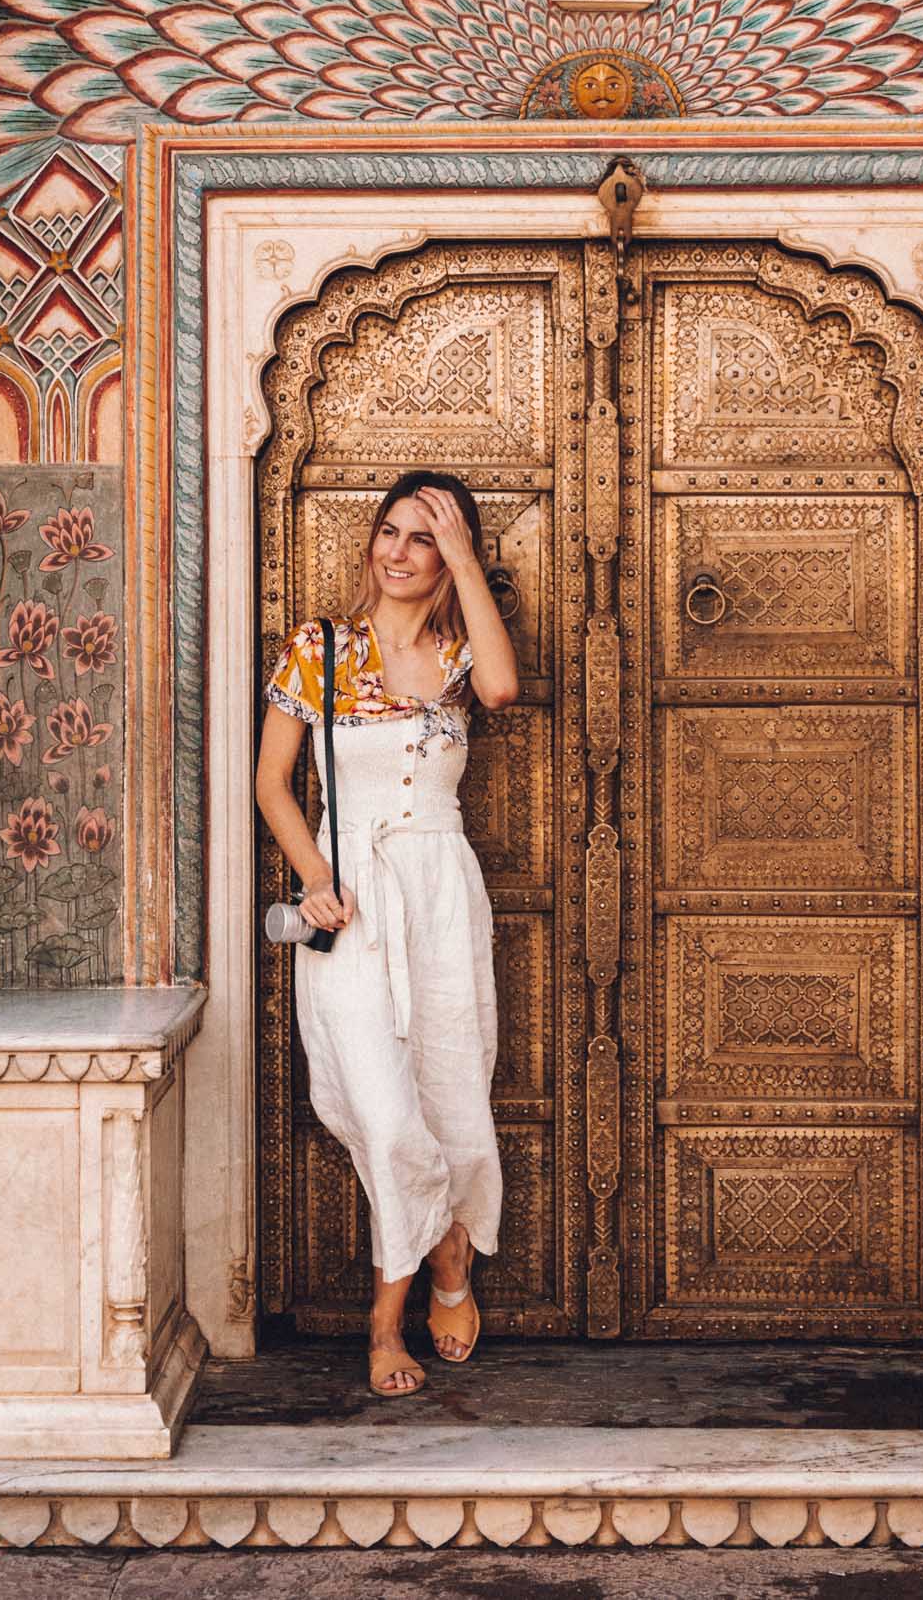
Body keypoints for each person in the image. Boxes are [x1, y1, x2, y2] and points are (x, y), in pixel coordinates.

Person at [255, 471, 520, 1396]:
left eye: (422, 539)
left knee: (453, 1092)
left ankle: (449, 1266)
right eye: (390, 532)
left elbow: (502, 686)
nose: (398, 552)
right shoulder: (318, 649)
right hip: (353, 897)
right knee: (383, 1106)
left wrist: (466, 563)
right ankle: (390, 1315)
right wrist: (318, 879)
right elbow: (272, 785)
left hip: (442, 888)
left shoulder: (458, 653)